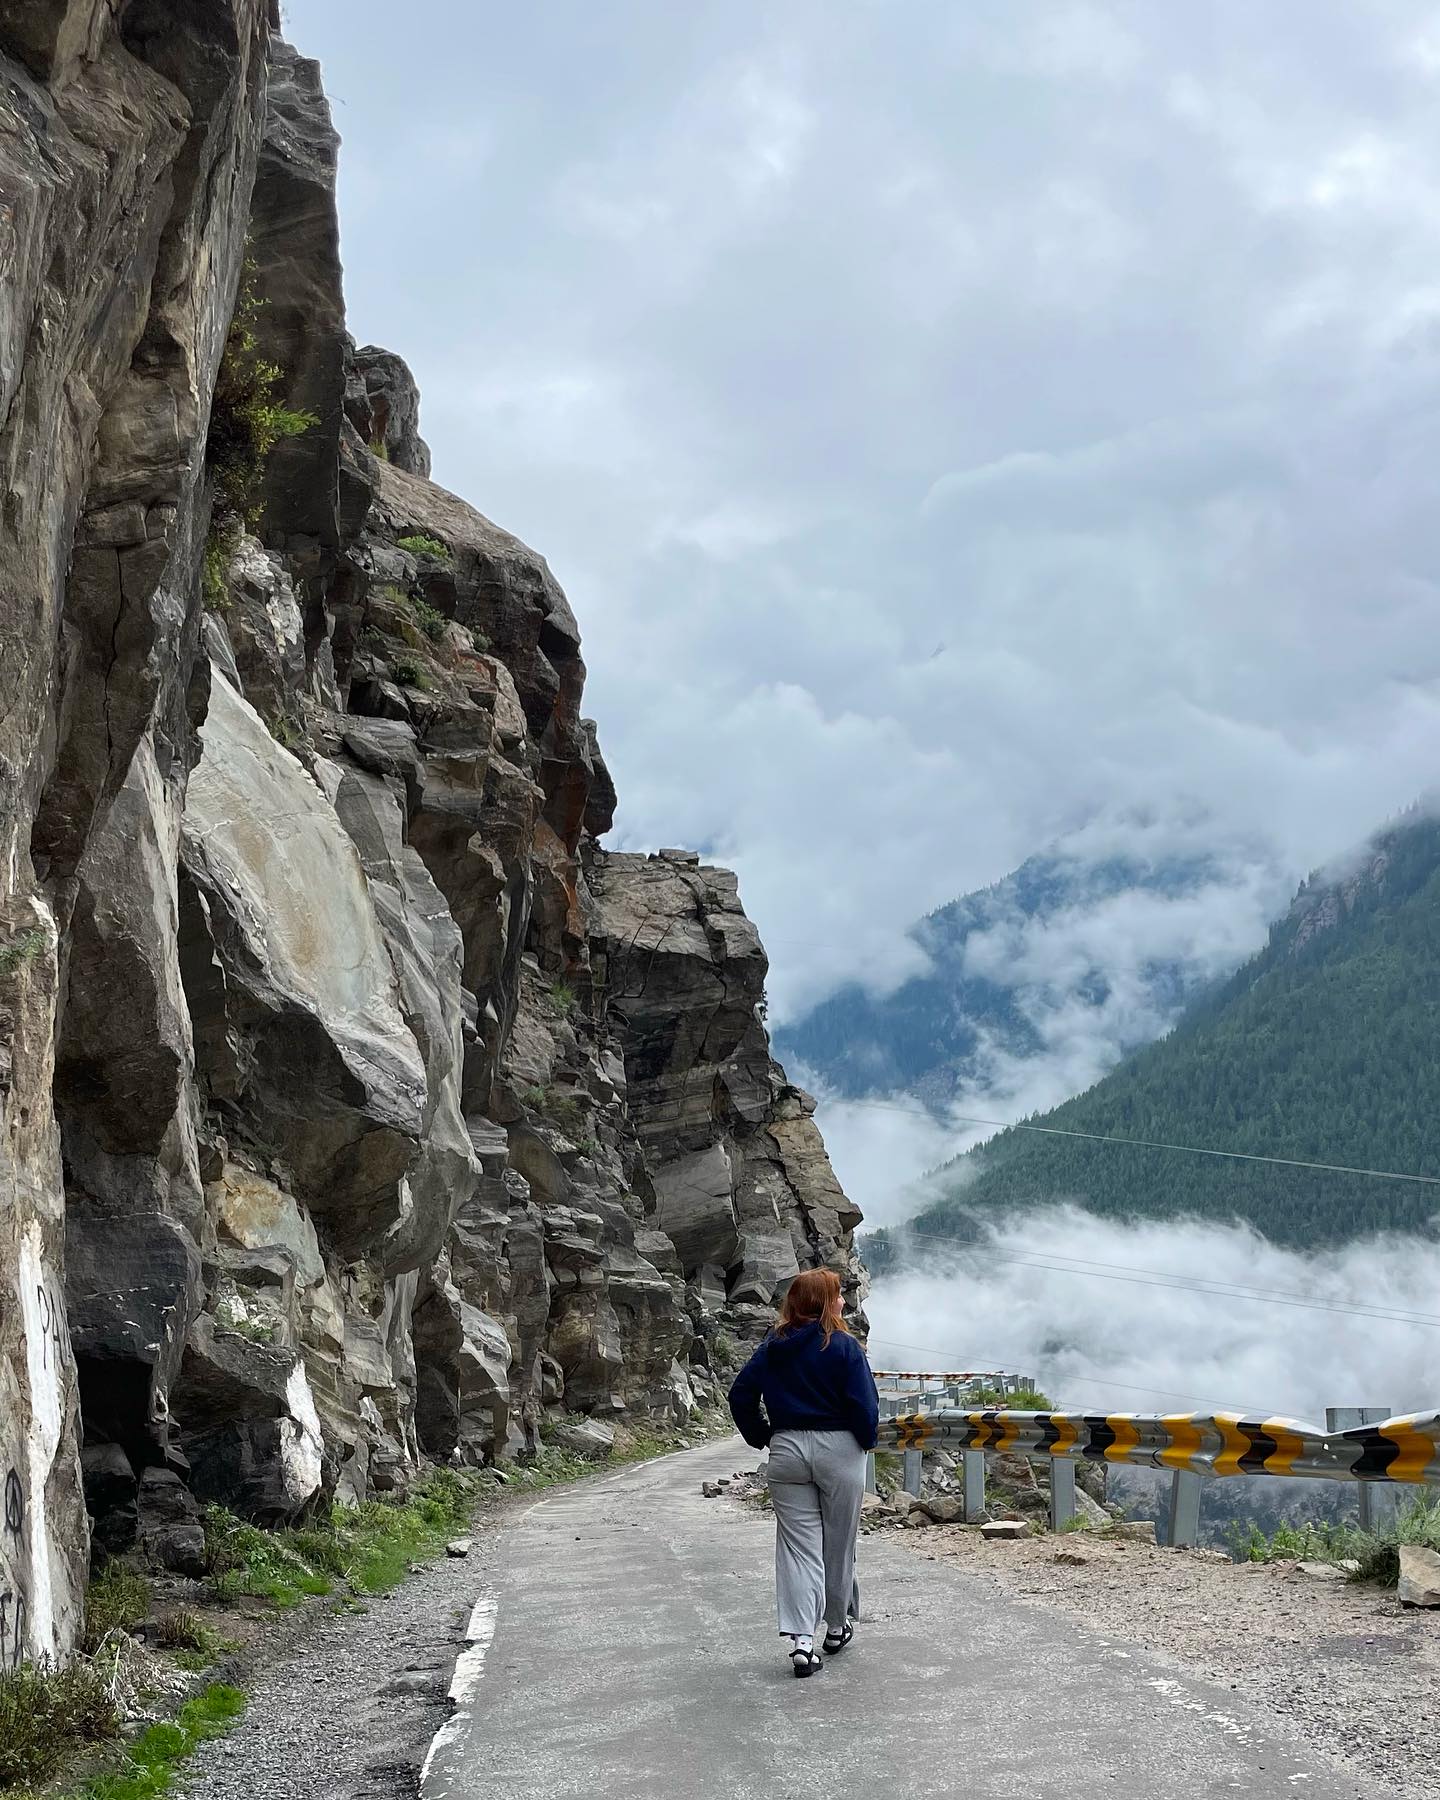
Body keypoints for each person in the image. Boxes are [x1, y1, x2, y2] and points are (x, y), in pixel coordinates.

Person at [727, 1267, 880, 1678]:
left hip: (788, 1450)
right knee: (839, 1543)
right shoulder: (845, 1347)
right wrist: (864, 1442)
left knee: (799, 1549)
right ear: (824, 1303)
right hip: (840, 1450)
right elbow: (865, 1406)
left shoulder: (772, 1346)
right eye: (838, 1295)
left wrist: (764, 1436)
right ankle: (836, 1627)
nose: (843, 1301)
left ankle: (802, 1642)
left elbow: (740, 1395)